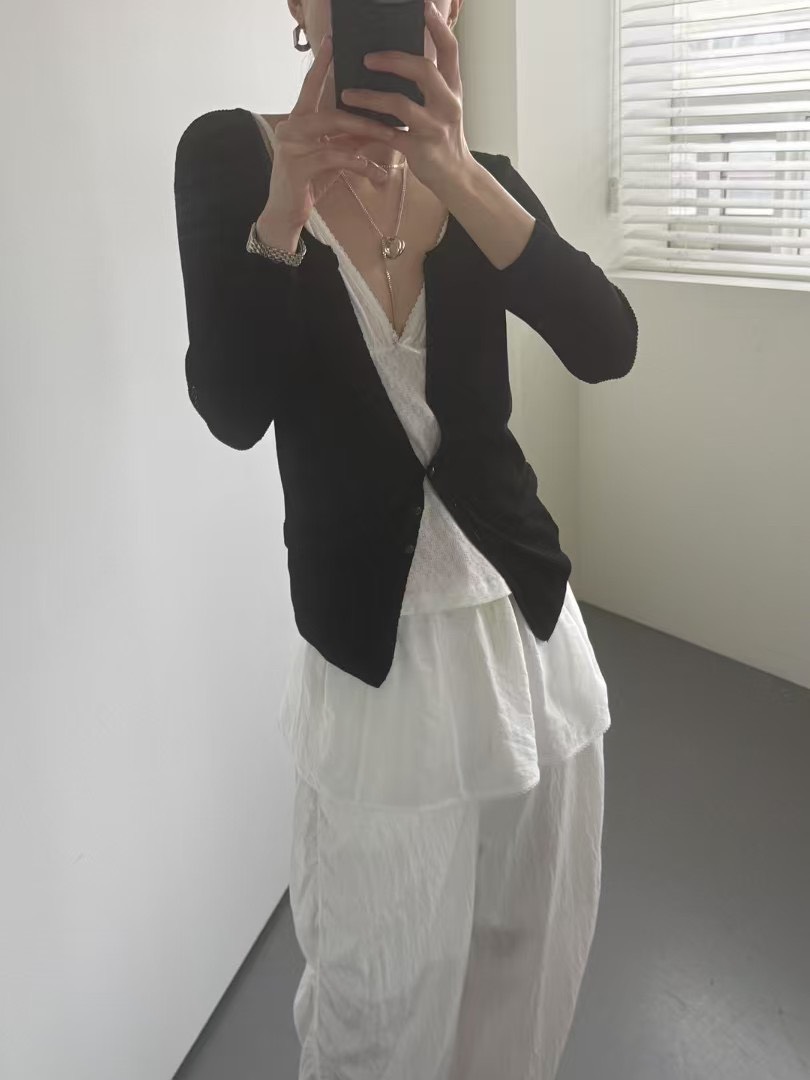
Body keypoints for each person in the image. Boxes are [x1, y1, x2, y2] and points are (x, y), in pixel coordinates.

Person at [173, 1, 639, 1077]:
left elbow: (607, 343)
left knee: (523, 962)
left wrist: (459, 173)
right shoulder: (231, 158)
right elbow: (232, 409)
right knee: (373, 999)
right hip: (374, 666)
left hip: (529, 642)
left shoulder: (482, 176)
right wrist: (283, 213)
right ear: (301, 7)